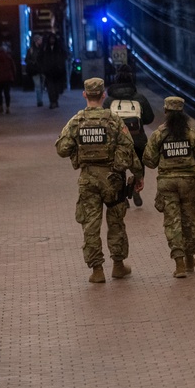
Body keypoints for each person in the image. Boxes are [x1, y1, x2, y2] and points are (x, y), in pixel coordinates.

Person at [55, 78, 145, 284]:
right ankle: (118, 266)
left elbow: (61, 149)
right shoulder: (114, 120)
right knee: (116, 223)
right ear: (103, 95)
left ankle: (97, 270)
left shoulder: (76, 121)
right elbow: (129, 150)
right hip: (113, 180)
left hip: (88, 181)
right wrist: (138, 175)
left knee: (90, 225)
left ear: (85, 95)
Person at [143, 96, 195, 278]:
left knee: (172, 222)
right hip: (189, 183)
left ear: (165, 112)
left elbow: (149, 161)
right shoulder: (192, 134)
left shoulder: (159, 134)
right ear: (182, 112)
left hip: (167, 183)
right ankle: (190, 258)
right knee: (189, 220)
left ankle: (179, 264)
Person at [102, 64, 155, 207]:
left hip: (117, 141)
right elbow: (150, 118)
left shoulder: (109, 100)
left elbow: (104, 121)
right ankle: (137, 188)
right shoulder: (140, 98)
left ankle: (123, 195)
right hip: (137, 139)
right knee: (139, 163)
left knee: (119, 167)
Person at [41, 33, 67, 109]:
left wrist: (60, 66)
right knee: (50, 88)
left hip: (57, 71)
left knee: (56, 88)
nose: (52, 40)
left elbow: (64, 56)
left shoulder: (58, 48)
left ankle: (55, 100)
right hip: (49, 72)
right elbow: (41, 57)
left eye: (53, 39)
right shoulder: (46, 49)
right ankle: (52, 101)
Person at [0, 42, 17, 114]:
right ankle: (8, 108)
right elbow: (13, 67)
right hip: (7, 78)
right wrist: (13, 76)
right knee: (7, 93)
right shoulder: (8, 57)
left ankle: (1, 107)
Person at [25, 34, 45, 107]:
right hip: (35, 70)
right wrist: (33, 63)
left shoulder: (42, 49)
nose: (41, 41)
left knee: (41, 86)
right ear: (36, 41)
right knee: (38, 86)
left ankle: (40, 99)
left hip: (42, 70)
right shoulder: (31, 50)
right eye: (40, 40)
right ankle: (39, 101)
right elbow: (27, 59)